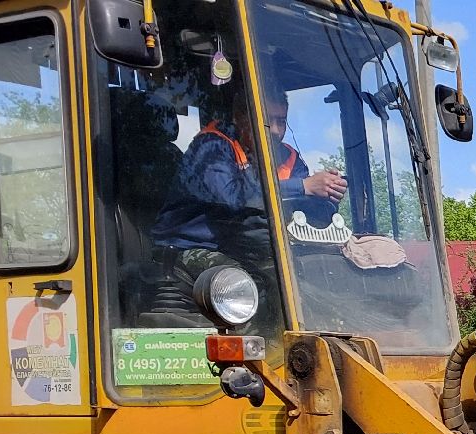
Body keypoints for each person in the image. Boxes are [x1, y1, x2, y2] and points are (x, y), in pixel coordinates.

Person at [147, 85, 347, 322]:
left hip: (254, 248)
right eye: (266, 121)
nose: (274, 130)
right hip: (193, 248)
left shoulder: (287, 157)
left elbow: (307, 210)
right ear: (240, 117)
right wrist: (303, 186)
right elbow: (232, 199)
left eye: (281, 121)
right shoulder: (212, 147)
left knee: (321, 282)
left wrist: (328, 194)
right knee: (253, 291)